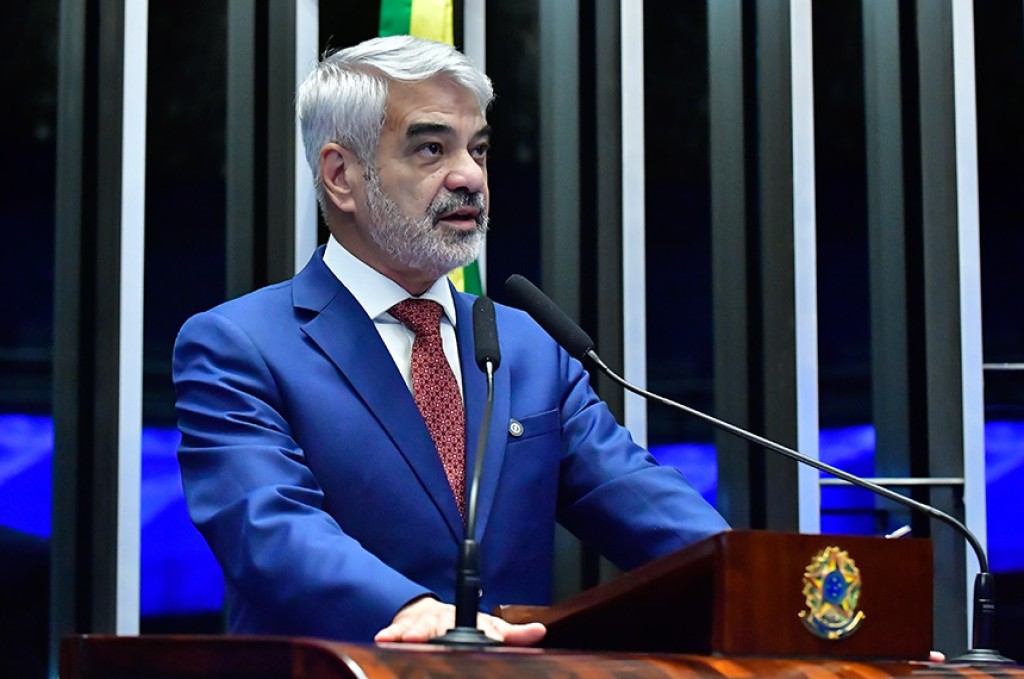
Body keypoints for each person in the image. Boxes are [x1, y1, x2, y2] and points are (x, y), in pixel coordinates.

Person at [172, 34, 729, 646]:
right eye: (431, 149)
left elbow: (640, 501)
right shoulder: (239, 346)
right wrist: (410, 608)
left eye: (478, 149)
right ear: (341, 176)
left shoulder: (525, 346)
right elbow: (266, 525)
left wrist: (759, 580)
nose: (470, 176)